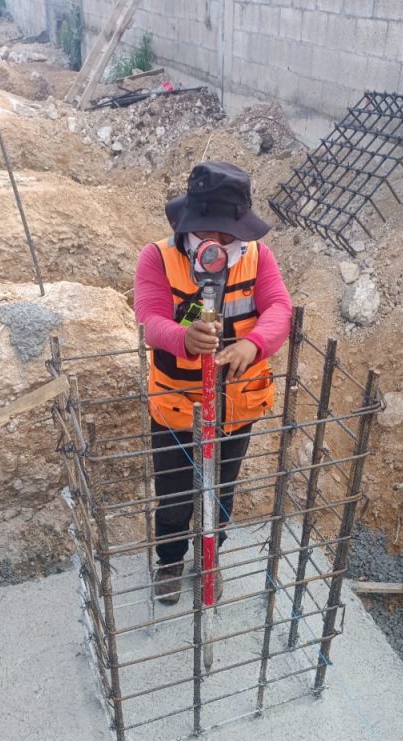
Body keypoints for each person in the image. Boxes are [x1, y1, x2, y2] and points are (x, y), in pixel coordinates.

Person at [134, 161, 292, 604]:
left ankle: (210, 557)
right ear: (191, 223)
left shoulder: (259, 257)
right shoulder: (158, 258)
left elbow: (280, 306)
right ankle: (169, 561)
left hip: (236, 406)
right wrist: (183, 337)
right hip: (177, 406)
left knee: (221, 490)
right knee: (175, 496)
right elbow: (149, 318)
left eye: (229, 235)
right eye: (211, 233)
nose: (220, 244)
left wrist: (255, 344)